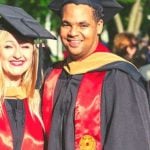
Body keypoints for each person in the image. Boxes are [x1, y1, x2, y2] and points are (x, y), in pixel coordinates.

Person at [42, 0, 150, 149]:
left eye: (83, 25)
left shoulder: (119, 77)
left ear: (99, 26)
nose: (73, 32)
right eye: (66, 24)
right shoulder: (53, 75)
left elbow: (129, 142)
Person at [0, 4, 55, 150]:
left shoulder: (40, 102)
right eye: (8, 46)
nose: (18, 54)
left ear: (33, 53)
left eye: (25, 46)